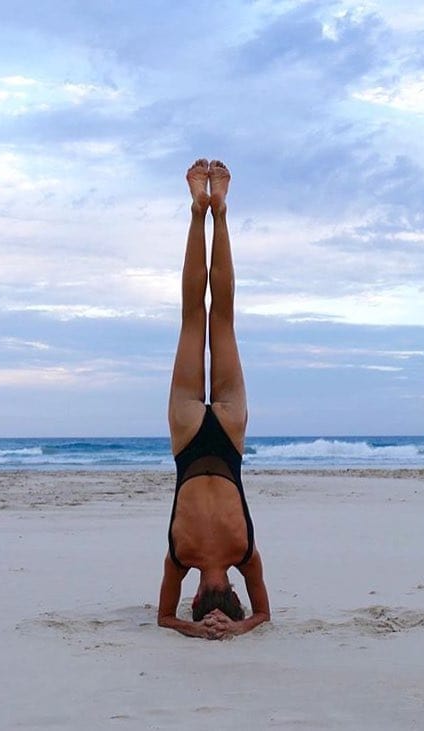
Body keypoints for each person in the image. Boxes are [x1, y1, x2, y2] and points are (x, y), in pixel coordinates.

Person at [157, 159, 270, 640]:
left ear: (231, 594)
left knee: (219, 317)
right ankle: (199, 212)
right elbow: (164, 617)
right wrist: (194, 629)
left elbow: (263, 614)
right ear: (197, 598)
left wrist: (239, 627)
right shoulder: (178, 557)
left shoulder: (246, 553)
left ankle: (217, 211)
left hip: (227, 434)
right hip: (188, 435)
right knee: (194, 317)